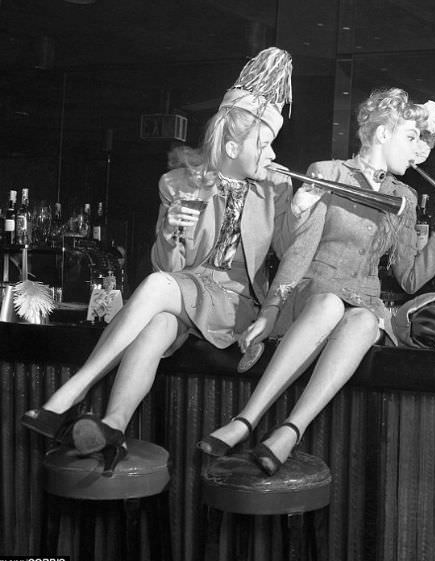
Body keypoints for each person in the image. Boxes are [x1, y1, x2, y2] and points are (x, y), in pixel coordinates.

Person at [21, 47, 303, 476]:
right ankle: (114, 427)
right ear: (231, 144)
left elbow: (288, 253)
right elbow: (170, 266)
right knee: (156, 322)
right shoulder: (177, 184)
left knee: (155, 290)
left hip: (235, 303)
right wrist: (172, 229)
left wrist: (301, 212)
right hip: (186, 292)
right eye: (262, 145)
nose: (270, 154)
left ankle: (70, 394)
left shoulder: (277, 188)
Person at [197, 87, 435, 475]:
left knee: (366, 320)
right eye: (410, 137)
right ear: (383, 133)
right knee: (331, 304)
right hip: (314, 294)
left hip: (364, 304)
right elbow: (299, 252)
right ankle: (246, 419)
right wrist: (270, 311)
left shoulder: (403, 197)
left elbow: (409, 279)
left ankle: (289, 430)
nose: (416, 149)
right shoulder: (329, 173)